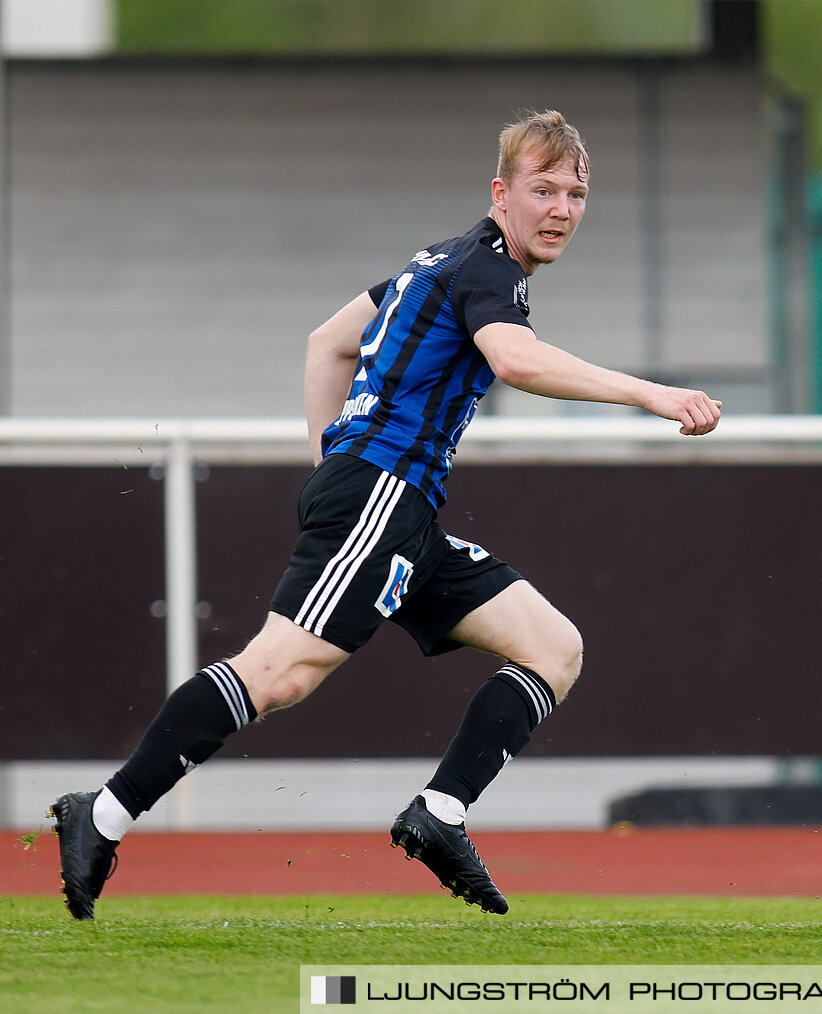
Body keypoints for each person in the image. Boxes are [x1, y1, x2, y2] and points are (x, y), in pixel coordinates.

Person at [50, 110, 722, 920]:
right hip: (380, 494)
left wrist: (328, 462)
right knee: (282, 673)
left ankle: (438, 816)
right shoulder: (489, 269)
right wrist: (651, 393)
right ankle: (106, 812)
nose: (561, 209)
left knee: (553, 647)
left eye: (576, 194)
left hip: (396, 505)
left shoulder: (436, 261)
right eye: (544, 190)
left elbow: (326, 344)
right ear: (502, 194)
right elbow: (514, 359)